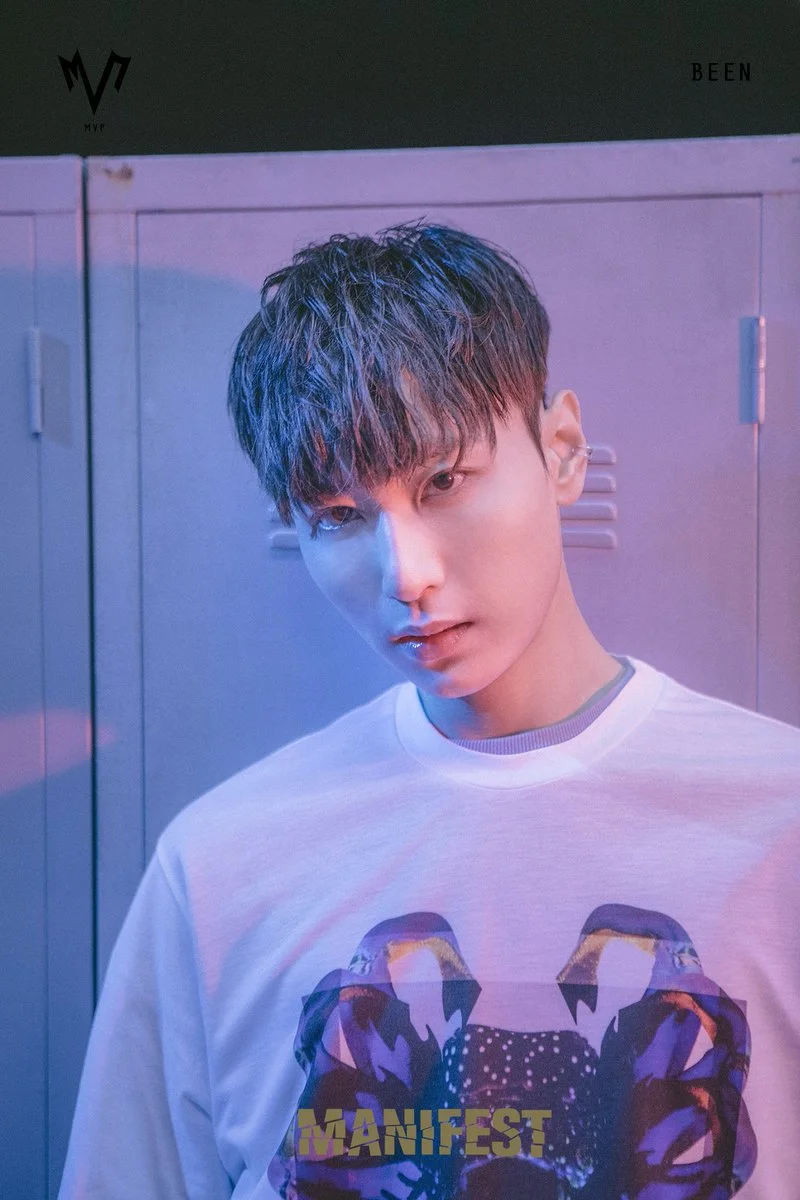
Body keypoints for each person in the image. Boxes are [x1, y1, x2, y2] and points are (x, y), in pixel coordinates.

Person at [58, 220, 800, 1200]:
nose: (404, 574)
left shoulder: (779, 819)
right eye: (339, 516)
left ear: (562, 451)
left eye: (443, 481)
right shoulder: (221, 865)